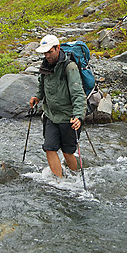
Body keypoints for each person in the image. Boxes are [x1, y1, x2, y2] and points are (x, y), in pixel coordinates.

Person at [29, 34, 87, 178]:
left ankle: (78, 176)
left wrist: (79, 116)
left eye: (50, 51)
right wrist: (37, 96)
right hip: (51, 116)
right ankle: (59, 183)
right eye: (45, 52)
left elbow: (78, 94)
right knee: (49, 148)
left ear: (58, 48)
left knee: (67, 152)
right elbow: (42, 86)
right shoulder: (45, 66)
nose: (47, 55)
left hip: (69, 118)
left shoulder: (70, 67)